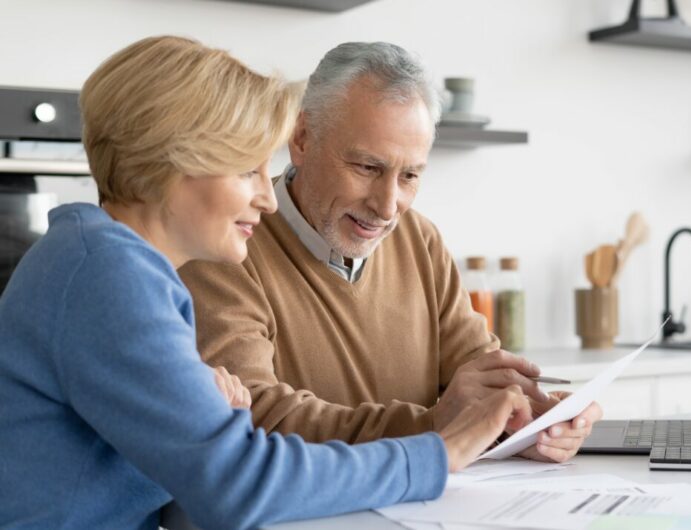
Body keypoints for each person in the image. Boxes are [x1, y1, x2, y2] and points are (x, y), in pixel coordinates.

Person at [0, 36, 533, 530]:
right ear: (174, 165)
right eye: (246, 170)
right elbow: (239, 483)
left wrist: (214, 421)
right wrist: (438, 453)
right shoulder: (108, 275)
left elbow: (201, 472)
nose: (268, 196)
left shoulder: (104, 261)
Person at [179, 42, 601, 462]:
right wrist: (434, 427)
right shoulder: (225, 244)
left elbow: (480, 372)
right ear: (302, 139)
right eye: (367, 168)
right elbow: (257, 415)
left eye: (410, 175)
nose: (387, 206)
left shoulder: (420, 239)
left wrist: (535, 419)